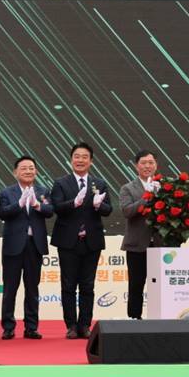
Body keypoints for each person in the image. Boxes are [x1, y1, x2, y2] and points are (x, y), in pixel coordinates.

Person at [50, 142, 113, 339]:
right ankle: (70, 325)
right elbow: (56, 207)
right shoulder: (61, 183)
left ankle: (85, 325)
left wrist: (99, 205)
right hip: (68, 241)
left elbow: (108, 210)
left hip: (91, 241)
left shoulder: (99, 184)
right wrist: (73, 203)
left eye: (85, 157)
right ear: (71, 160)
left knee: (87, 285)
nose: (80, 160)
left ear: (91, 161)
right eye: (76, 156)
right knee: (68, 285)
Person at [0, 156, 54, 339]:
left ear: (36, 171)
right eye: (23, 168)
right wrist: (20, 204)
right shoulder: (7, 192)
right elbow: (2, 213)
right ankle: (8, 327)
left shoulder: (43, 191)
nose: (28, 171)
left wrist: (36, 205)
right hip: (13, 246)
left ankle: (31, 327)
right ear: (15, 172)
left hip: (34, 245)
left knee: (32, 288)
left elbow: (50, 211)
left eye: (31, 168)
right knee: (10, 288)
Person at [119, 150, 161, 320]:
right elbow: (127, 211)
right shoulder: (128, 188)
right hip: (137, 245)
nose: (147, 166)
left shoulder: (165, 186)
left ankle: (161, 319)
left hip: (160, 244)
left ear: (156, 165)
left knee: (160, 285)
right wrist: (147, 197)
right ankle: (134, 319)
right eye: (143, 163)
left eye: (151, 162)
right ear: (136, 166)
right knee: (136, 284)